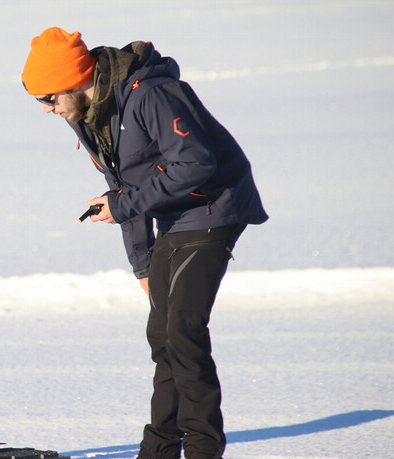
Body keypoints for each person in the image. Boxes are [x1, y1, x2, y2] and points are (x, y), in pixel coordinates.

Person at [21, 27, 268, 459]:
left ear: (74, 81)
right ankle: (158, 450)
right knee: (161, 335)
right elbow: (122, 189)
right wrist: (142, 265)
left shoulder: (151, 94)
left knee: (183, 330)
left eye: (49, 98)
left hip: (215, 207)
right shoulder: (90, 112)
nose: (47, 110)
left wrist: (124, 204)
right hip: (176, 217)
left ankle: (203, 449)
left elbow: (195, 162)